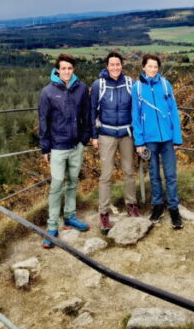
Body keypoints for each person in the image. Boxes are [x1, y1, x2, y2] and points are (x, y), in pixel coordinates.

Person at [38, 53, 93, 248]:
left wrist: (85, 137)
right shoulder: (48, 92)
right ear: (57, 70)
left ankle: (70, 217)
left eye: (70, 68)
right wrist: (45, 147)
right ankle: (52, 226)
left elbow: (87, 114)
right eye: (63, 69)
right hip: (57, 147)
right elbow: (43, 121)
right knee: (56, 185)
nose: (67, 72)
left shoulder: (80, 89)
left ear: (73, 69)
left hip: (76, 145)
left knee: (73, 182)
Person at [90, 51, 141, 232]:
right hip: (106, 134)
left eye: (118, 64)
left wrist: (139, 135)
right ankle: (104, 213)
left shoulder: (130, 83)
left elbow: (136, 109)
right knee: (106, 175)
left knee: (129, 171)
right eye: (112, 65)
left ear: (122, 66)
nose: (115, 68)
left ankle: (132, 205)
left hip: (127, 134)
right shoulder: (99, 85)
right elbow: (92, 111)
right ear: (107, 66)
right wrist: (94, 135)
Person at [131, 53, 183, 229]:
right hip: (149, 139)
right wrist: (139, 142)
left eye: (156, 66)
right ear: (143, 67)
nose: (153, 69)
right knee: (154, 175)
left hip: (167, 138)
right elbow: (135, 117)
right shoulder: (137, 88)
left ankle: (174, 208)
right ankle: (158, 206)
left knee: (170, 175)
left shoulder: (165, 85)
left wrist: (177, 138)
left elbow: (173, 112)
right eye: (150, 66)